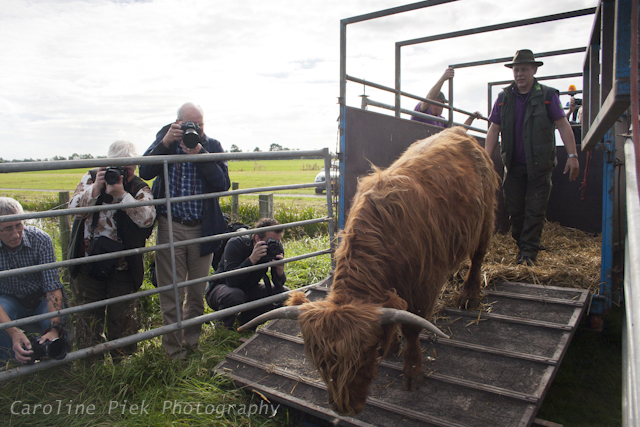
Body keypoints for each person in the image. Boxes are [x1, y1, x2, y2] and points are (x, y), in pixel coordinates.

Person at [139, 102, 230, 360]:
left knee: (196, 293)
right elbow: (145, 170)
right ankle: (173, 353)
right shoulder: (165, 139)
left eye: (200, 124)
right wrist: (166, 143)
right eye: (191, 124)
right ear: (177, 123)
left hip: (203, 229)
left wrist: (199, 153)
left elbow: (222, 183)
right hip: (172, 226)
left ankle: (192, 345)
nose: (196, 129)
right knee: (172, 292)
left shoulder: (212, 145)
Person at [484, 49, 580, 266]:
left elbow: (563, 125)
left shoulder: (547, 96)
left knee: (535, 209)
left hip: (540, 166)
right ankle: (523, 243)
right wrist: (486, 160)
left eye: (524, 69)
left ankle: (528, 253)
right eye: (516, 70)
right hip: (514, 166)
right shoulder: (503, 99)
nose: (520, 74)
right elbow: (493, 130)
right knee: (515, 209)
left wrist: (572, 155)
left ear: (534, 70)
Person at [68, 140, 155, 359]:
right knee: (87, 318)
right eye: (115, 168)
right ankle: (91, 368)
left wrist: (122, 196)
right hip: (88, 262)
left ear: (134, 167)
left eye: (127, 169)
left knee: (123, 320)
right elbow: (74, 211)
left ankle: (123, 368)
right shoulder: (91, 178)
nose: (121, 174)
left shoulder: (138, 187)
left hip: (122, 266)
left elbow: (147, 220)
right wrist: (95, 189)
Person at [0, 197, 65, 364]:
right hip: (8, 299)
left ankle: (53, 363)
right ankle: (12, 366)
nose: (15, 234)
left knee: (58, 321)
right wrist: (13, 332)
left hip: (41, 298)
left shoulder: (41, 240)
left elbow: (52, 288)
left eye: (19, 225)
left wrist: (54, 329)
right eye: (7, 228)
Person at [206, 218, 287, 330]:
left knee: (286, 294)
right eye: (271, 240)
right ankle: (223, 328)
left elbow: (279, 284)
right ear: (257, 238)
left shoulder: (275, 248)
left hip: (250, 287)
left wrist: (279, 271)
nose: (273, 244)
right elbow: (231, 280)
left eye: (277, 241)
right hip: (222, 288)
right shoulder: (237, 243)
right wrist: (252, 260)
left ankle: (247, 320)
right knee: (235, 295)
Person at [410, 66, 482, 128]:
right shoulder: (422, 110)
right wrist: (443, 79)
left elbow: (457, 132)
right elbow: (428, 99)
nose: (443, 106)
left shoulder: (441, 120)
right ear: (434, 102)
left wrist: (471, 118)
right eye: (442, 102)